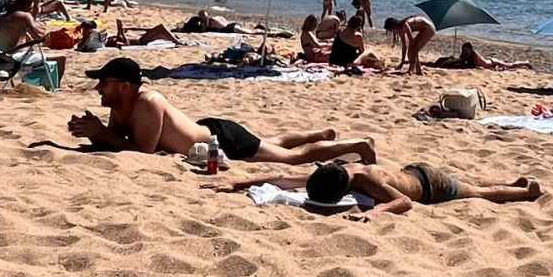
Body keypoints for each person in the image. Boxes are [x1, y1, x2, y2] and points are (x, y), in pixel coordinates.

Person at [67, 57, 376, 164]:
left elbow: (141, 151)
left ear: (123, 86)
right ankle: (319, 134)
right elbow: (117, 141)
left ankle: (354, 145)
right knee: (272, 142)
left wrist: (100, 134)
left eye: (103, 83)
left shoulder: (148, 102)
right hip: (207, 130)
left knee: (293, 158)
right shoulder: (121, 106)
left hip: (222, 140)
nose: (98, 89)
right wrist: (94, 133)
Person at [210, 159, 541, 217]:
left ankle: (526, 193)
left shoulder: (365, 180)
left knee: (478, 194)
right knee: (474, 187)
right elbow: (284, 178)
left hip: (430, 186)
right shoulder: (337, 170)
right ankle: (513, 184)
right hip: (414, 171)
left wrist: (377, 213)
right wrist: (239, 183)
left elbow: (403, 203)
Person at [430, 42, 533, 71]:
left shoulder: (474, 55)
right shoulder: (465, 55)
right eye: (464, 50)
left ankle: (525, 62)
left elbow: (476, 66)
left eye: (466, 50)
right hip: (488, 65)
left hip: (491, 62)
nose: (465, 52)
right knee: (507, 67)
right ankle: (524, 63)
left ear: (470, 50)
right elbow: (461, 61)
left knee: (509, 65)